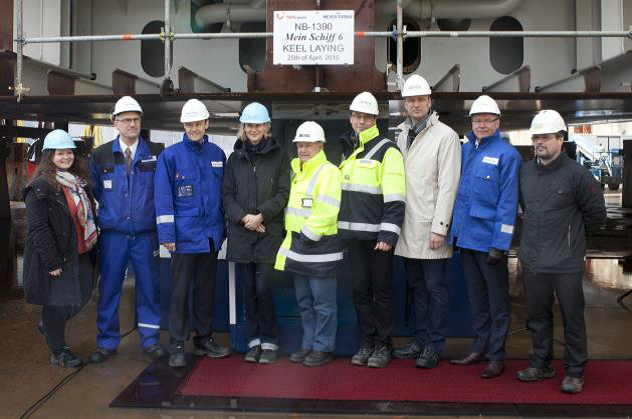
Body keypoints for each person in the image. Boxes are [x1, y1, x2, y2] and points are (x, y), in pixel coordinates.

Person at [517, 110, 606, 394]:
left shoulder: (577, 175)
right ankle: (541, 364)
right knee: (536, 317)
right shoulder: (525, 172)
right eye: (536, 137)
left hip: (566, 263)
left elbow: (596, 215)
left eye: (545, 137)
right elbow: (525, 208)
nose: (539, 142)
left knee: (573, 318)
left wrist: (572, 240)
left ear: (560, 139)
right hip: (533, 260)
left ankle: (575, 372)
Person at [448, 95, 521, 378]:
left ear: (497, 123)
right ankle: (479, 347)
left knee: (497, 303)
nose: (482, 125)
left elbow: (507, 203)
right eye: (477, 120)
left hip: (489, 244)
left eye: (487, 120)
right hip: (467, 240)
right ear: (471, 123)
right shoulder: (465, 150)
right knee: (477, 300)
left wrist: (499, 244)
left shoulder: (507, 155)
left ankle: (496, 356)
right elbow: (460, 196)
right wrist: (455, 234)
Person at [154, 99, 230, 368]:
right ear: (183, 126)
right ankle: (176, 342)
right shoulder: (170, 156)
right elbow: (163, 198)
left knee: (205, 291)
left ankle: (204, 338)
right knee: (179, 293)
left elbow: (223, 197)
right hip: (183, 238)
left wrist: (223, 230)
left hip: (210, 237)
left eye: (198, 123)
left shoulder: (217, 155)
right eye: (189, 124)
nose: (194, 128)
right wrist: (167, 235)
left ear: (206, 123)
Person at [392, 75, 461, 368]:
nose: (416, 104)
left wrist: (440, 227)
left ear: (430, 101)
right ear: (405, 104)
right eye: (411, 100)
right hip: (407, 226)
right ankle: (419, 340)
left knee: (435, 288)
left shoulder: (446, 136)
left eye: (421, 99)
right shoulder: (401, 133)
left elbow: (448, 186)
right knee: (417, 287)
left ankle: (434, 345)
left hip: (431, 228)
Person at [89, 96, 165, 363]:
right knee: (109, 287)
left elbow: (162, 191)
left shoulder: (156, 152)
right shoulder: (100, 155)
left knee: (149, 287)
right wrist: (115, 215)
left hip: (146, 234)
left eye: (136, 119)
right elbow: (97, 190)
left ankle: (150, 340)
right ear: (115, 123)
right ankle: (106, 342)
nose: (132, 124)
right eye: (126, 120)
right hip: (114, 235)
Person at [338, 92, 406, 368]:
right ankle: (366, 342)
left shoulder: (388, 151)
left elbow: (395, 196)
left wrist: (388, 235)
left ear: (375, 119)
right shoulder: (349, 150)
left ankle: (383, 345)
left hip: (378, 239)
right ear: (350, 118)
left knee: (382, 292)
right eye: (357, 116)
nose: (361, 121)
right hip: (354, 238)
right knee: (360, 291)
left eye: (366, 117)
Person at [222, 102, 290, 364]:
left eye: (258, 125)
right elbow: (227, 195)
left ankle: (270, 342)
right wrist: (244, 219)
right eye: (249, 125)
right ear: (243, 127)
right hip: (242, 234)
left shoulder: (279, 156)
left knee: (264, 288)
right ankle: (253, 342)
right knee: (249, 290)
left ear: (267, 127)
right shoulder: (235, 158)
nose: (253, 129)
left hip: (267, 233)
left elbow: (283, 193)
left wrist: (261, 215)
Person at [23, 129, 97, 367]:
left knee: (84, 294)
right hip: (59, 256)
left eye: (69, 152)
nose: (66, 157)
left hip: (81, 251)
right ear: (49, 156)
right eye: (60, 153)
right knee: (57, 304)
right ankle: (58, 352)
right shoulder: (40, 188)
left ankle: (48, 324)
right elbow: (38, 228)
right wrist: (51, 261)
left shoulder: (78, 183)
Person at [275, 121, 342, 367]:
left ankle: (322, 347)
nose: (303, 149)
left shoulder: (328, 171)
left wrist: (306, 235)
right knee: (304, 302)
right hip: (298, 247)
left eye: (308, 145)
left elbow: (327, 210)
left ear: (321, 146)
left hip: (320, 248)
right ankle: (308, 343)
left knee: (323, 304)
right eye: (300, 145)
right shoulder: (295, 171)